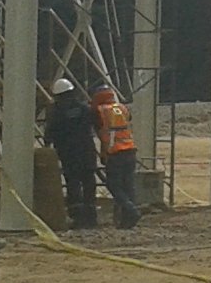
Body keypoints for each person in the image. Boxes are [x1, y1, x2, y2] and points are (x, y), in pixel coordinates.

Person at [42, 77, 100, 228]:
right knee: (89, 182)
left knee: (73, 183)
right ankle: (91, 217)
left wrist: (47, 144)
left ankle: (77, 217)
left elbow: (49, 132)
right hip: (87, 150)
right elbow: (98, 123)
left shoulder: (56, 112)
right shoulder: (84, 108)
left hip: (68, 153)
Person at [93, 86, 142, 229]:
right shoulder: (122, 108)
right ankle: (128, 221)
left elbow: (102, 132)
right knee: (128, 186)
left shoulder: (100, 112)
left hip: (115, 153)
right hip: (130, 150)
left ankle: (131, 209)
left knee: (113, 185)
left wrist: (103, 154)